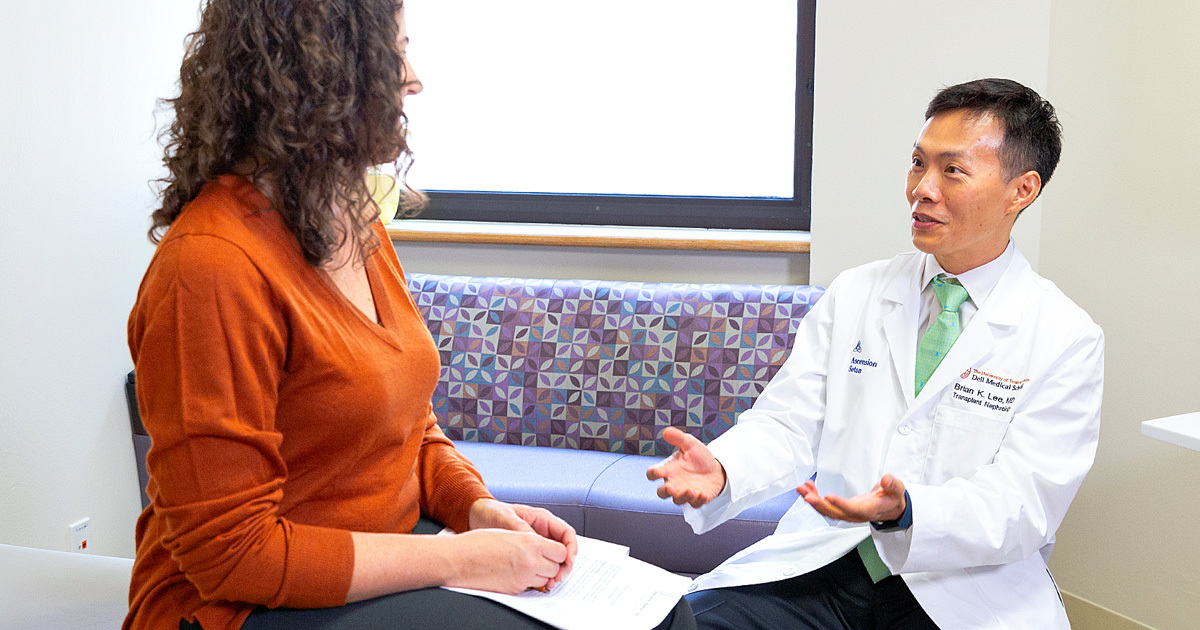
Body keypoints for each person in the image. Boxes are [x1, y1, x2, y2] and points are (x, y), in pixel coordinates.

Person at [124, 2, 695, 629]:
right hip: (239, 606)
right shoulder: (209, 266)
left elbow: (410, 432)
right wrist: (458, 559)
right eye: (394, 53)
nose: (413, 80)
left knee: (667, 618)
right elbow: (231, 556)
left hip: (382, 557)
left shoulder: (351, 224)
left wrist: (477, 510)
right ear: (322, 69)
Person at [648, 78, 1104, 629]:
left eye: (952, 170)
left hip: (962, 592)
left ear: (1021, 190)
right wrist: (725, 468)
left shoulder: (1065, 337)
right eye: (918, 163)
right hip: (830, 562)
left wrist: (908, 511)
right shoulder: (858, 292)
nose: (922, 189)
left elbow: (1023, 504)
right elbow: (789, 423)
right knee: (682, 623)